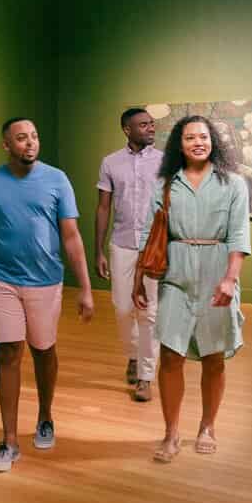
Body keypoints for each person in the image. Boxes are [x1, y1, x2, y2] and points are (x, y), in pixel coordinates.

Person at [0, 117, 94, 473]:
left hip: (46, 281)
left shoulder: (57, 180)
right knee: (7, 353)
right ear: (7, 144)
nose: (30, 143)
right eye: (22, 138)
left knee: (43, 351)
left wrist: (85, 288)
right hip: (2, 280)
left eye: (34, 136)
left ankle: (46, 416)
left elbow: (71, 236)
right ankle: (9, 439)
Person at [134, 115, 252, 464]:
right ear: (179, 144)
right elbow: (148, 234)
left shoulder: (233, 184)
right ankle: (171, 431)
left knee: (214, 358)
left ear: (212, 140)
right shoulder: (166, 184)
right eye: (189, 138)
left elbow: (239, 235)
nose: (197, 142)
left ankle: (207, 426)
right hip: (175, 276)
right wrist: (139, 277)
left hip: (218, 276)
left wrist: (230, 279)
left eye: (203, 136)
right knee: (170, 356)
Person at [95, 106, 163, 401]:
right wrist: (98, 250)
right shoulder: (110, 162)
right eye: (144, 124)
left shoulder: (165, 162)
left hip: (154, 247)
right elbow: (103, 207)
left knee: (150, 313)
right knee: (123, 310)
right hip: (121, 244)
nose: (151, 128)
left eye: (151, 124)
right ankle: (133, 355)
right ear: (127, 129)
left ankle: (146, 376)